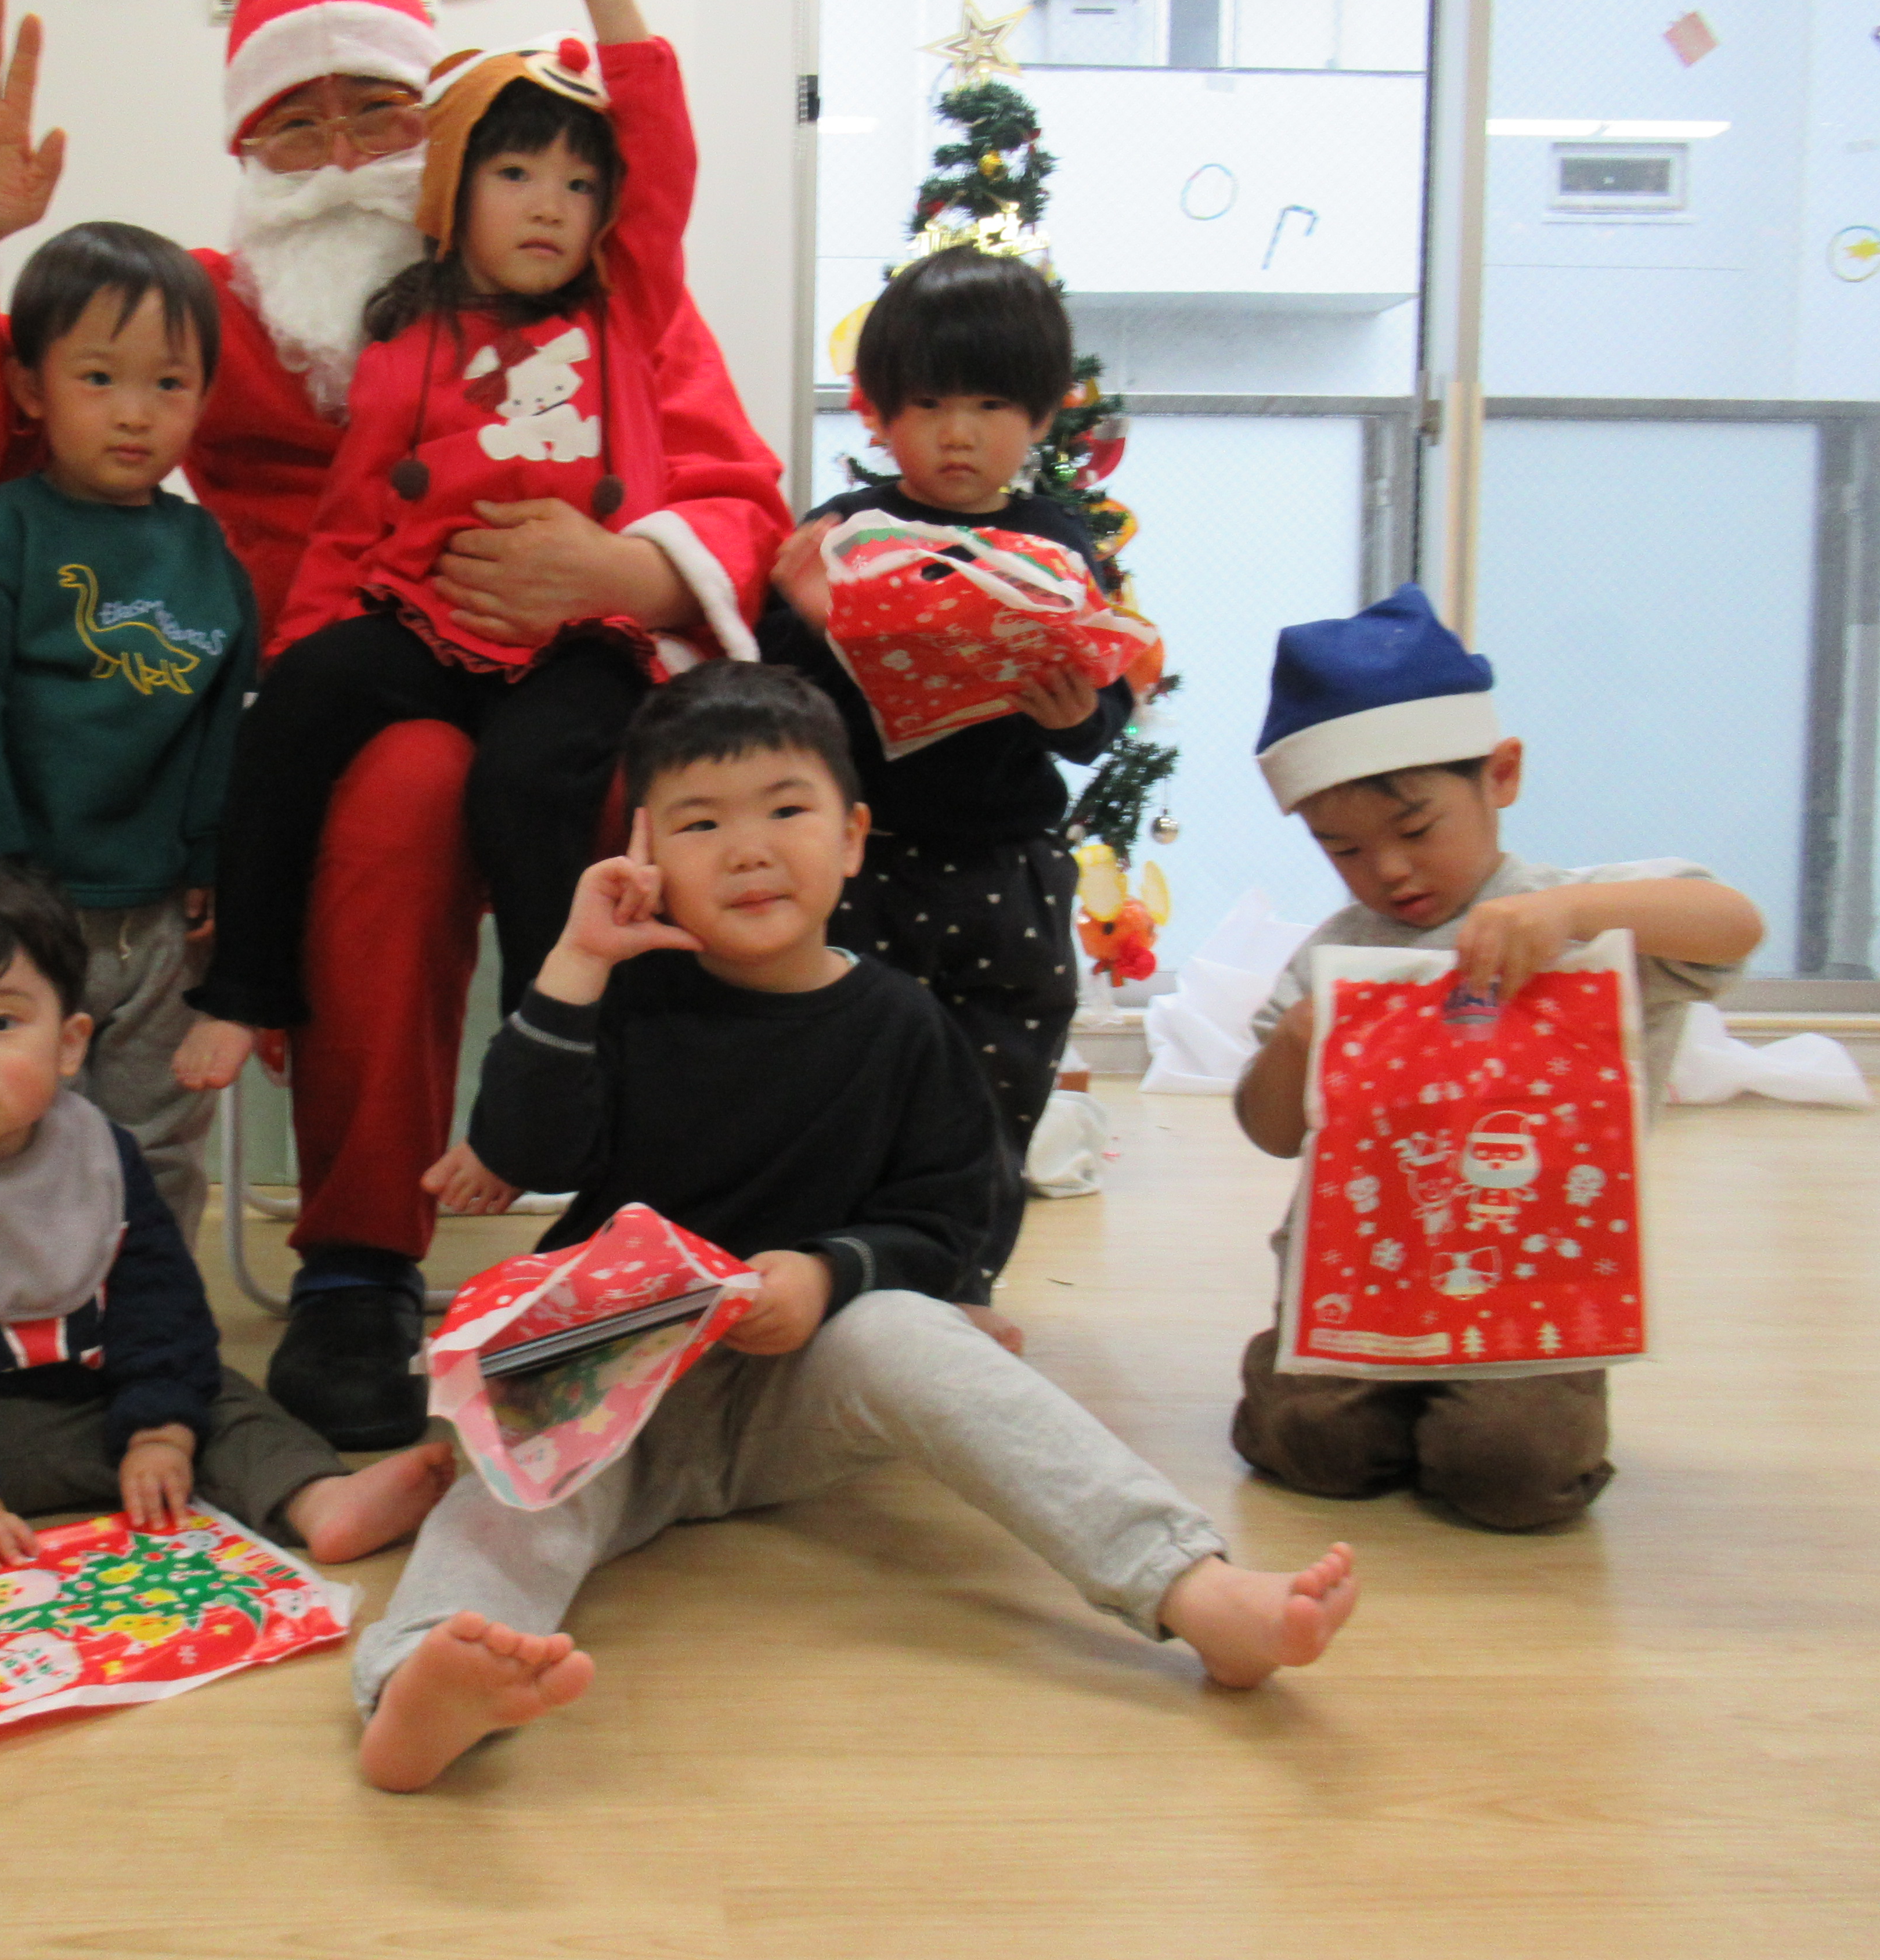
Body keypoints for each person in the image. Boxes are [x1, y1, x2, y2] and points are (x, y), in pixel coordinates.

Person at [0, 0, 786, 1450]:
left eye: (377, 113)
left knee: (649, 800)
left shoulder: (595, 296)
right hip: (330, 704)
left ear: (446, 133)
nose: (342, 156)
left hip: (573, 681)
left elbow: (739, 498)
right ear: (245, 152)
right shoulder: (206, 316)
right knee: (400, 789)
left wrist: (623, 569)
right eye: (296, 124)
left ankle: (645, 1186)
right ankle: (358, 1258)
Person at [349, 664, 1358, 1792]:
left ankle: (1191, 1588)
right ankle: (413, 1683)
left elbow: (946, 1222)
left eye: (786, 809)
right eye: (700, 823)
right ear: (645, 853)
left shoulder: (904, 1028)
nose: (747, 850)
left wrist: (829, 1276)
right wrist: (577, 960)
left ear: (852, 838)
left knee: (905, 1329)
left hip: (800, 1391)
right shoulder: (625, 996)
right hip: (615, 1388)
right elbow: (527, 1152)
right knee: (514, 1480)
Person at [177, 0, 786, 1074]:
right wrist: (310, 649)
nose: (548, 206)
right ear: (454, 184)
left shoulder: (624, 305)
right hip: (422, 621)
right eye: (514, 175)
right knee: (294, 712)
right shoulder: (398, 336)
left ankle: (547, 1045)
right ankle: (245, 989)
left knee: (530, 780)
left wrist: (612, 1)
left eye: (577, 186)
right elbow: (354, 519)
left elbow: (659, 168)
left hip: (578, 644)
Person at [0, 866, 454, 1689]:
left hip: (101, 1421)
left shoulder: (104, 1159)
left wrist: (160, 1430)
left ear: (70, 1043)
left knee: (219, 1392)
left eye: (1, 1022)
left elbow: (160, 1305)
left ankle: (317, 1499)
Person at [1230, 585, 1763, 1530]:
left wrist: (1573, 916)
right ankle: (1347, 1392)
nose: (1389, 870)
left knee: (1510, 1476)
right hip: (1362, 1273)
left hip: (1532, 1279)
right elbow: (1267, 1131)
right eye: (1343, 849)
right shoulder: (1335, 954)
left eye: (1417, 830)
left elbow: (1734, 925)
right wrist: (1295, 1045)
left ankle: (1482, 1412)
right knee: (1313, 1450)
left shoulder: (1572, 914)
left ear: (1501, 775)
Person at [756, 247, 1133, 1310]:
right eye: (927, 404)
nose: (957, 433)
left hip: (1008, 863)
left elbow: (1103, 707)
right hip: (862, 863)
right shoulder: (844, 535)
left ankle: (962, 1287)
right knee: (845, 1075)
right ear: (879, 414)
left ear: (1043, 415)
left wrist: (1077, 713)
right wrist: (823, 620)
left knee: (995, 1079)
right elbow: (775, 700)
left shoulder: (1057, 543)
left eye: (990, 404)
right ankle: (842, 1279)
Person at [0, 221, 250, 1236]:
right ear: (30, 386)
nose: (135, 414)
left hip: (158, 922)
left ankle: (151, 1309)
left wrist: (208, 858)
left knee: (158, 1141)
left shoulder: (207, 554)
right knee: (18, 1130)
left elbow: (222, 722)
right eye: (99, 378)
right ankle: (21, 1307)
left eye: (170, 385)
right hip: (24, 909)